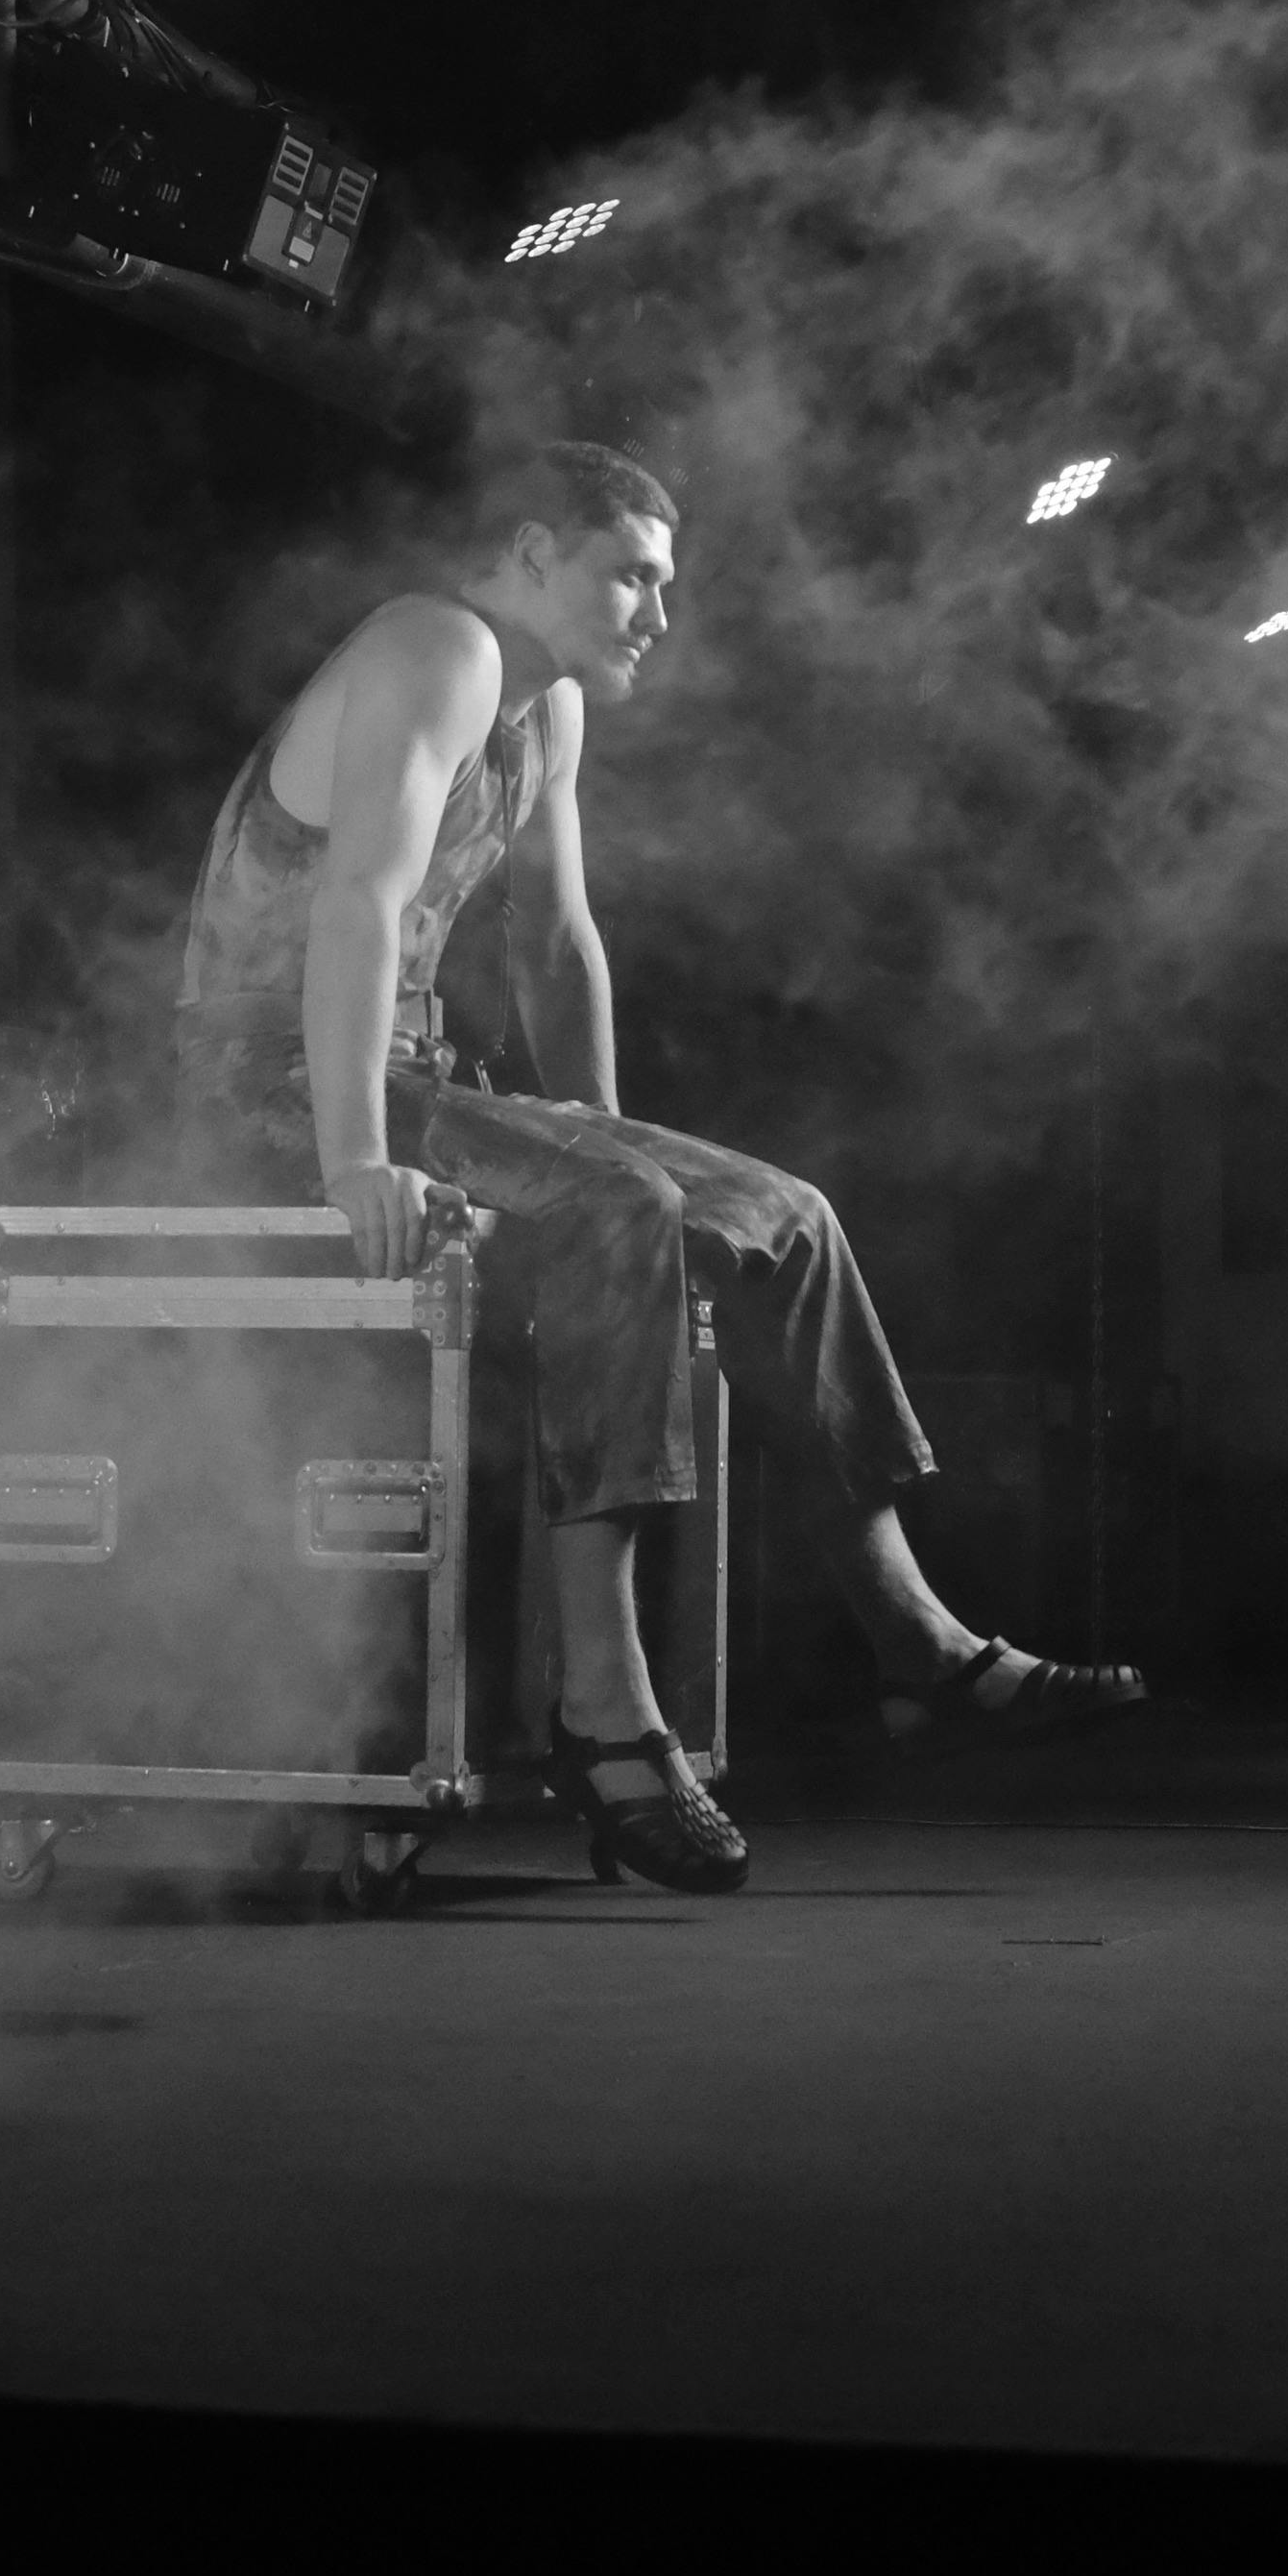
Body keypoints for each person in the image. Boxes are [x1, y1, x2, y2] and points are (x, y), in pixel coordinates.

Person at [175, 435, 1146, 1886]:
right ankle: (608, 1716)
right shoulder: (435, 648)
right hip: (276, 1080)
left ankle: (918, 1645)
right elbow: (358, 911)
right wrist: (355, 1160)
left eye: (663, 582)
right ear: (528, 554)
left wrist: (611, 1148)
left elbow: (557, 946)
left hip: (407, 1068)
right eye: (630, 574)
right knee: (619, 1208)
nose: (657, 613)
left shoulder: (548, 702)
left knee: (783, 1218)